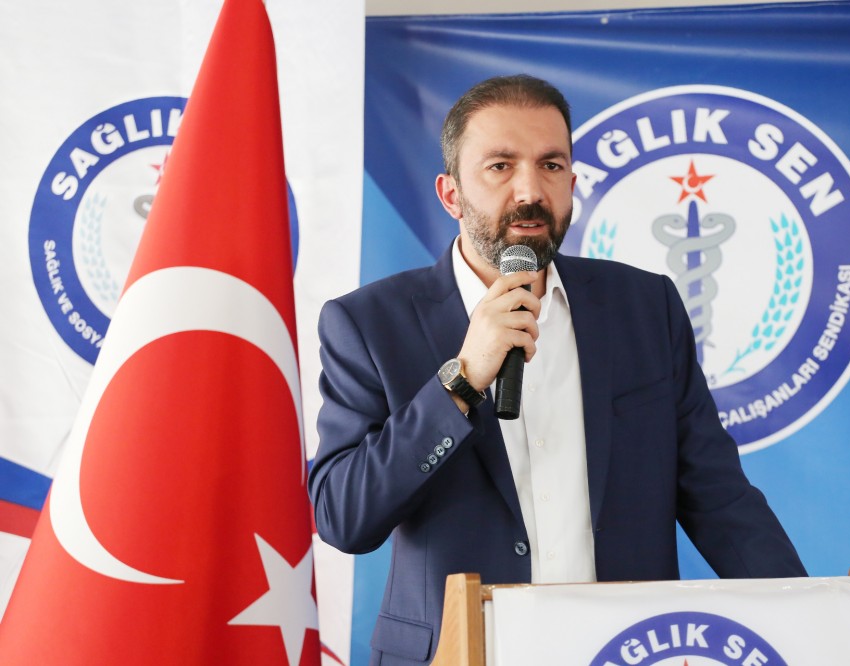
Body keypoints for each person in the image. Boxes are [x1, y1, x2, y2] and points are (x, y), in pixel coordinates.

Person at [309, 74, 806, 666]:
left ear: (571, 183)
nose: (530, 190)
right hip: (458, 654)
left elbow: (719, 497)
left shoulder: (646, 308)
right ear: (451, 195)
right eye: (500, 166)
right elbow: (344, 517)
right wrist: (462, 379)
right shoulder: (369, 323)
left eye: (550, 165)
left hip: (624, 650)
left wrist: (810, 617)